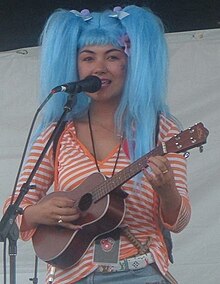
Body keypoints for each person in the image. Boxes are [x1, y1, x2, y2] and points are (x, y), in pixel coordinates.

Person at [4, 5, 191, 284]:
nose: (99, 68)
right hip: (71, 275)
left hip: (140, 271)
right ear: (75, 66)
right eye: (88, 58)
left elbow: (179, 221)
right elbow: (15, 207)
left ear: (131, 65)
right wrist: (34, 213)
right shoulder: (56, 134)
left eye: (113, 57)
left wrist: (167, 190)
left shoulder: (158, 129)